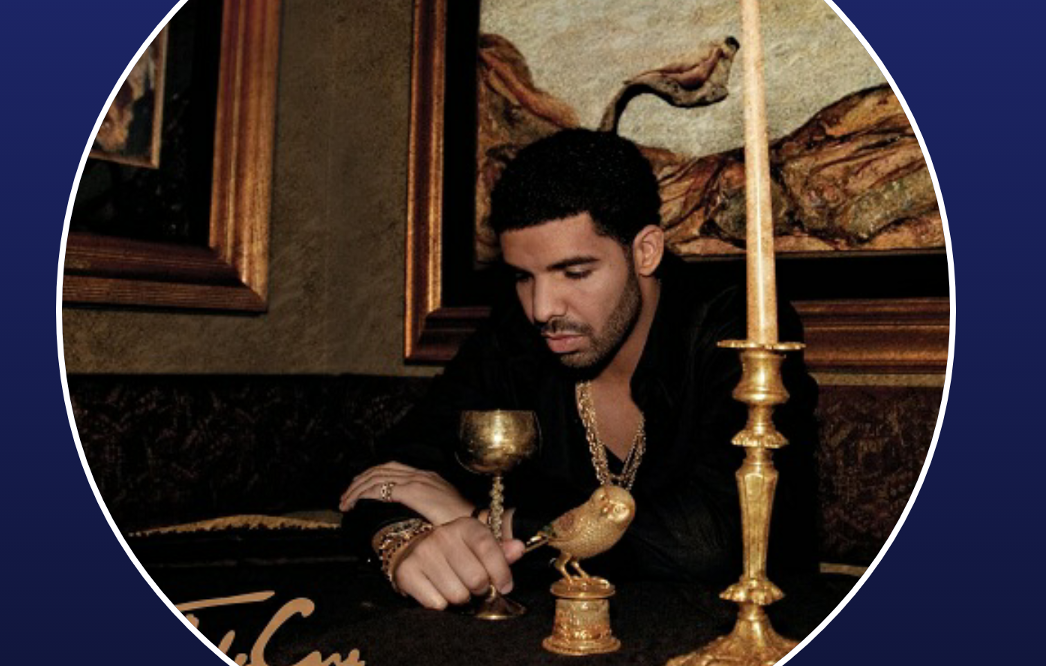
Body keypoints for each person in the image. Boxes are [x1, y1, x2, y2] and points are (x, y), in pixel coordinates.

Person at [340, 129, 816, 608]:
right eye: (524, 277)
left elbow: (710, 542)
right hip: (548, 638)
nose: (543, 308)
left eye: (575, 273)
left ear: (645, 251)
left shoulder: (738, 326)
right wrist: (402, 543)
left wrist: (486, 521)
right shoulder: (515, 337)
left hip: (743, 633)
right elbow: (393, 470)